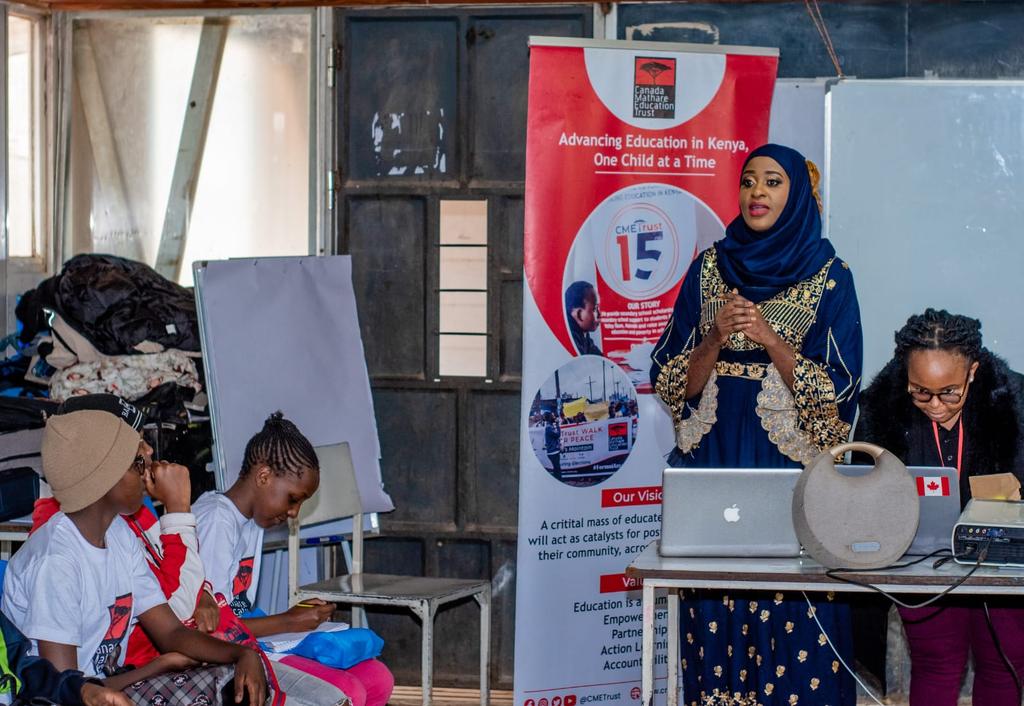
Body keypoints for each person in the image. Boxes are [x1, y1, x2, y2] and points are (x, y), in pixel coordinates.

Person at [650, 144, 863, 706]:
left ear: (797, 197)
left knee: (794, 605)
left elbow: (838, 392)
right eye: (748, 181)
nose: (757, 193)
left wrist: (770, 338)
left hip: (788, 465)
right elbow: (672, 382)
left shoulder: (831, 278)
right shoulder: (708, 268)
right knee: (715, 601)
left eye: (772, 182)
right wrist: (715, 337)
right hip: (717, 456)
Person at [0, 409, 267, 702]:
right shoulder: (56, 561)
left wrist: (244, 654)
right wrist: (159, 665)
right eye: (137, 463)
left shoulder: (118, 534)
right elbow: (68, 692)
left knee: (235, 685)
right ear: (104, 479)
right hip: (70, 698)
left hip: (109, 685)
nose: (147, 471)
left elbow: (171, 633)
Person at [855, 309, 1024, 706]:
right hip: (919, 558)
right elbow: (864, 493)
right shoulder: (883, 409)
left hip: (1001, 559)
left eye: (950, 392)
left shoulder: (1015, 406)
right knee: (935, 663)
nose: (935, 405)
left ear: (973, 372)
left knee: (1003, 663)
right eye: (920, 392)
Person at [193, 412, 394, 706]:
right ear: (263, 477)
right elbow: (213, 629)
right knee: (347, 691)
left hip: (249, 640)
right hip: (220, 655)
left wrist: (295, 619)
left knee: (378, 678)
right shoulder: (216, 521)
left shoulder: (250, 522)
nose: (294, 513)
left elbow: (237, 613)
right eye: (292, 499)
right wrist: (290, 620)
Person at [565, 281, 602, 355]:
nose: (599, 314)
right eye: (595, 309)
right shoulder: (571, 339)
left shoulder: (583, 333)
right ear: (579, 314)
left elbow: (598, 357)